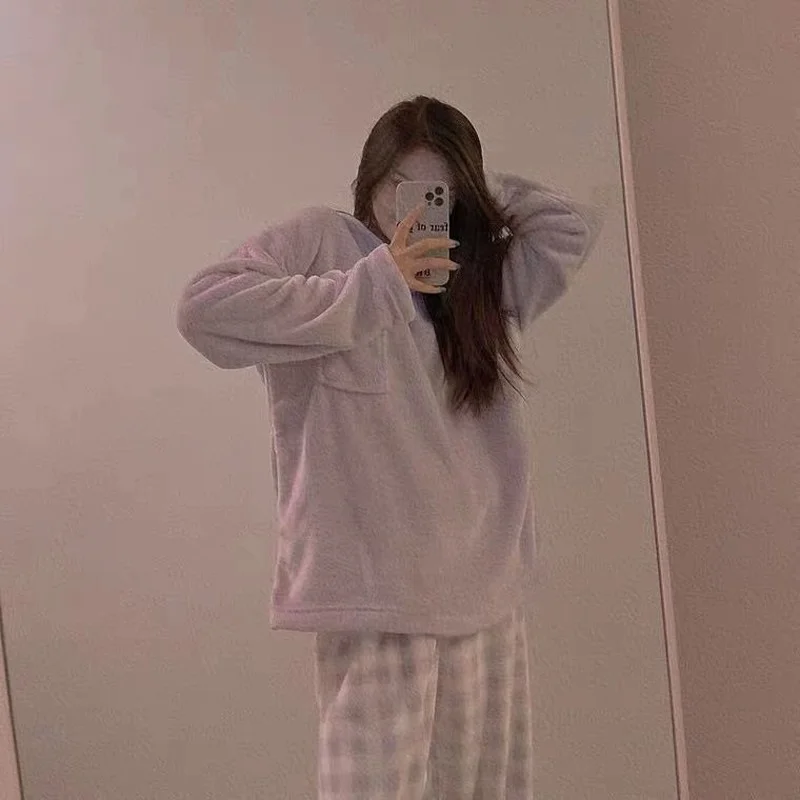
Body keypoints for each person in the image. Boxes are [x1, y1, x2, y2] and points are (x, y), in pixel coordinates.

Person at [177, 95, 601, 799]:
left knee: (486, 787)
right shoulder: (322, 242)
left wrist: (475, 191)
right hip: (376, 597)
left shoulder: (478, 277)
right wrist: (377, 282)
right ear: (370, 178)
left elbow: (565, 229)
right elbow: (203, 311)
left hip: (483, 582)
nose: (419, 206)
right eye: (404, 186)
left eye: (439, 191)